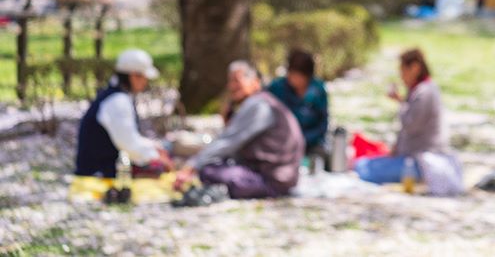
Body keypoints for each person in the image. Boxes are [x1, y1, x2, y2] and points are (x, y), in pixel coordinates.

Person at [174, 61, 305, 199]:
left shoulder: (259, 106)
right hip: (278, 178)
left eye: (237, 81)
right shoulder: (263, 102)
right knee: (214, 165)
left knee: (208, 170)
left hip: (272, 181)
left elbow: (228, 142)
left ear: (255, 82)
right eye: (230, 81)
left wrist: (191, 167)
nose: (231, 86)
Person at [75, 49, 173, 177]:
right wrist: (156, 157)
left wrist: (154, 147)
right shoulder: (117, 101)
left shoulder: (116, 96)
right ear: (134, 76)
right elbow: (129, 144)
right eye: (144, 77)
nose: (145, 82)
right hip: (99, 172)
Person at [355, 49, 447, 184]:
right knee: (362, 163)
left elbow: (410, 124)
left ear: (415, 68)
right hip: (410, 159)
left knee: (363, 168)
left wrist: (400, 104)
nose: (402, 76)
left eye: (403, 71)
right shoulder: (418, 90)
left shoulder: (425, 92)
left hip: (421, 163)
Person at [267, 49, 329, 152]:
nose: (295, 79)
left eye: (300, 76)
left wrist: (304, 139)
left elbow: (323, 123)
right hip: (282, 144)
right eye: (292, 74)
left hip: (311, 144)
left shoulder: (318, 90)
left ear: (308, 76)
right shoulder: (277, 88)